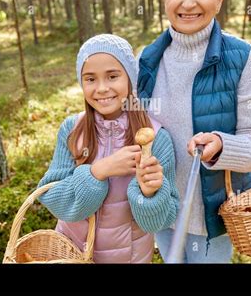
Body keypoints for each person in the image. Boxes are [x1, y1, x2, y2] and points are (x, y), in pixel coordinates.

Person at [136, 0, 251, 263]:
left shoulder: (244, 60)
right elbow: (133, 129)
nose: (188, 3)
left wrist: (222, 146)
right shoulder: (146, 60)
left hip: (212, 217)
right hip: (161, 207)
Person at [37, 34, 179, 263]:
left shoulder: (155, 139)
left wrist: (150, 193)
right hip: (71, 254)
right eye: (90, 79)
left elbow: (159, 223)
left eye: (112, 76)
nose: (102, 88)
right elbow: (53, 199)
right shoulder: (72, 131)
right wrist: (98, 171)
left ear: (130, 79)